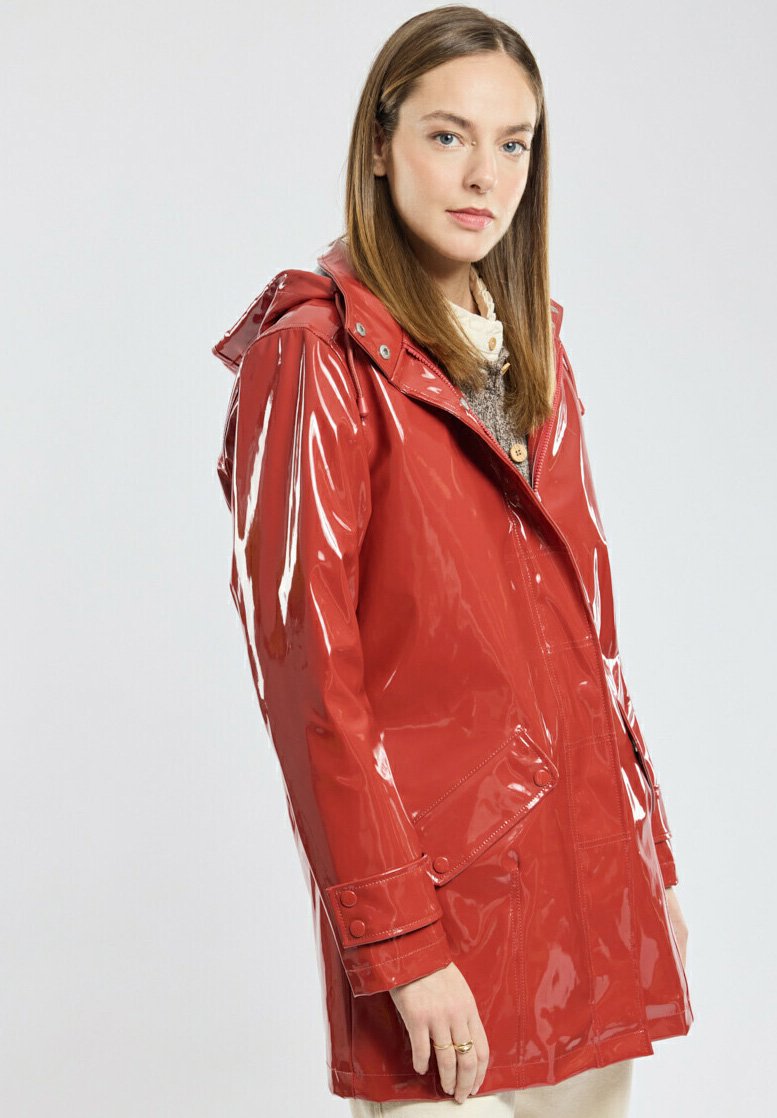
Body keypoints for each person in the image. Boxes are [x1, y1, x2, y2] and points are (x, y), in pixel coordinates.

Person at [212, 5, 693, 1114]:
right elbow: (310, 679)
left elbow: (588, 634)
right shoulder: (313, 359)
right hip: (439, 912)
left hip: (587, 884)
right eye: (447, 134)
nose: (485, 174)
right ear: (380, 146)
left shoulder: (533, 352)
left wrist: (646, 853)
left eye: (513, 142)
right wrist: (399, 944)